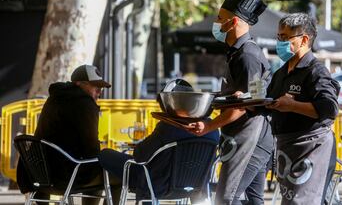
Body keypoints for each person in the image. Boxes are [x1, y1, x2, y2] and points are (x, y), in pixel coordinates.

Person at [187, 0, 274, 205]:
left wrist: (208, 126)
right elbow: (253, 94)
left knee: (227, 197)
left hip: (250, 139)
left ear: (233, 22)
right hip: (251, 137)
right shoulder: (239, 53)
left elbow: (245, 104)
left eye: (220, 18)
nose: (216, 23)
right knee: (254, 200)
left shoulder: (248, 56)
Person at [265, 13, 340, 205]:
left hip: (312, 149)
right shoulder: (281, 73)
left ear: (304, 39)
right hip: (286, 149)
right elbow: (270, 102)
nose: (280, 42)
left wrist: (293, 105)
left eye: (285, 37)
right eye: (279, 37)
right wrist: (250, 101)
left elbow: (329, 109)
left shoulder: (316, 71)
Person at [16, 64, 115, 205]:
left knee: (97, 169)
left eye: (101, 88)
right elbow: (91, 149)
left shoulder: (53, 99)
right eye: (96, 87)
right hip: (66, 177)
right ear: (79, 84)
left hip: (40, 176)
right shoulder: (85, 104)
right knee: (116, 173)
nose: (99, 92)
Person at [98, 121, 220, 201]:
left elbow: (140, 156)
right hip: (197, 187)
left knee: (105, 154)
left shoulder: (168, 126)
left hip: (158, 187)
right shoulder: (213, 130)